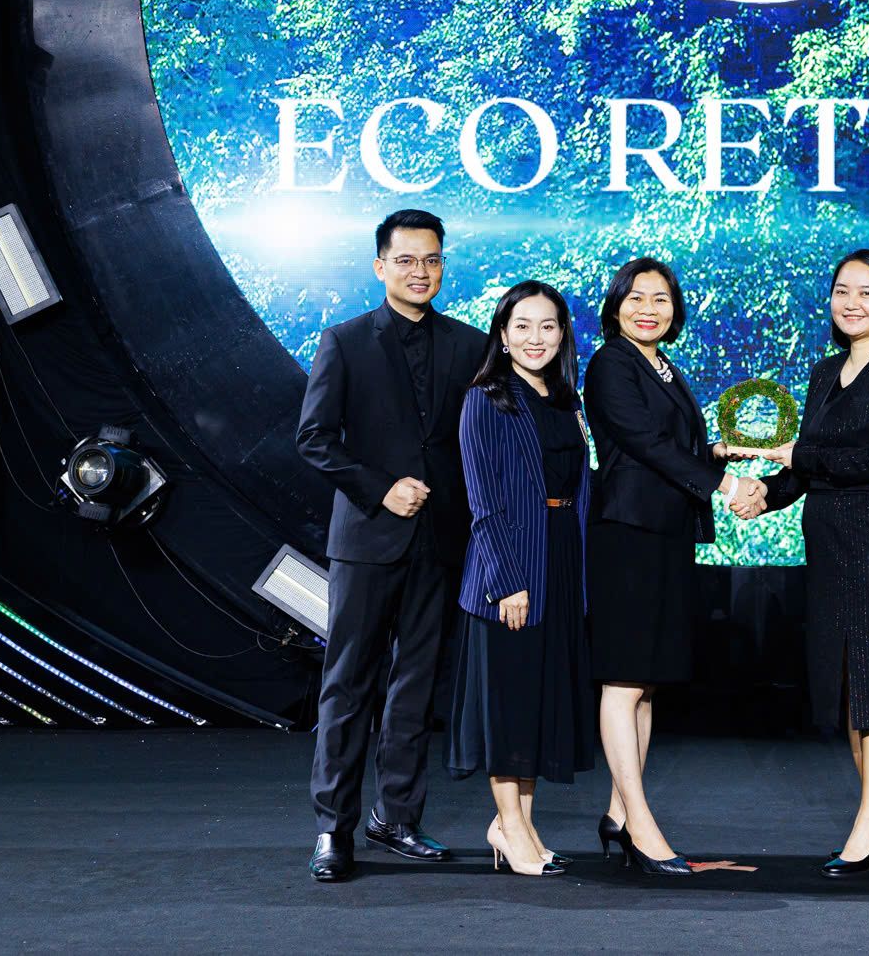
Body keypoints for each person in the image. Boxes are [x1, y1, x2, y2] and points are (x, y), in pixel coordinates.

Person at [297, 210, 486, 882]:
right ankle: (333, 827)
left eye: (431, 259)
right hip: (366, 540)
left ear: (443, 265)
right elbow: (314, 439)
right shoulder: (345, 341)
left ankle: (396, 817)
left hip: (441, 542)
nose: (420, 271)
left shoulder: (470, 344)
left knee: (416, 687)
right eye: (406, 260)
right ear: (381, 266)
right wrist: (382, 489)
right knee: (348, 684)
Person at [730, 249, 869, 876]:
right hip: (828, 544)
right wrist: (765, 495)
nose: (853, 303)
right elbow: (805, 468)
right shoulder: (824, 372)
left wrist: (800, 457)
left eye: (868, 292)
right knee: (849, 685)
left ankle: (868, 826)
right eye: (843, 290)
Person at [584, 258, 762, 875]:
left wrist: (717, 452)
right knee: (623, 680)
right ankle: (640, 825)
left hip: (664, 533)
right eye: (636, 297)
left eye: (661, 299)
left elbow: (671, 445)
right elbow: (644, 444)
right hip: (627, 534)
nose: (648, 309)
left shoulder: (660, 364)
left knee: (646, 682)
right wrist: (725, 483)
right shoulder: (611, 363)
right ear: (615, 305)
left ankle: (617, 814)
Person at [447, 280, 596, 877]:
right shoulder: (486, 399)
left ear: (562, 335)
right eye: (523, 326)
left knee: (535, 701)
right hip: (510, 567)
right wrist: (508, 579)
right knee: (509, 702)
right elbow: (483, 502)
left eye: (548, 326)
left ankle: (520, 827)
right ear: (503, 336)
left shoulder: (565, 400)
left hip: (560, 558)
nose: (536, 338)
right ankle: (509, 825)